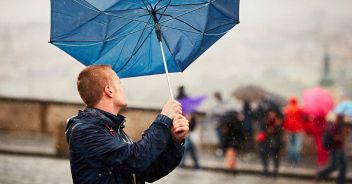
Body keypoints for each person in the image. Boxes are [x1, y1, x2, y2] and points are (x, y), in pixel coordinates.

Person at [65, 65, 189, 184]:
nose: (123, 88)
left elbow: (148, 171)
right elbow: (136, 159)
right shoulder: (85, 130)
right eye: (119, 83)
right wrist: (164, 118)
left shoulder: (113, 129)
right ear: (109, 90)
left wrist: (175, 141)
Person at [316, 114, 350, 184]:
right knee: (334, 166)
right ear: (338, 118)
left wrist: (344, 133)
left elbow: (341, 139)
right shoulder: (334, 127)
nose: (343, 118)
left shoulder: (339, 126)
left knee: (344, 165)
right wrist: (344, 134)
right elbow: (336, 138)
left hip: (339, 149)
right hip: (334, 149)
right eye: (342, 117)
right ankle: (320, 174)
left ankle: (341, 182)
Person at [177, 86, 200, 169]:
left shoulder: (178, 101)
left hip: (186, 129)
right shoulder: (188, 103)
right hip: (188, 130)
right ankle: (196, 165)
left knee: (186, 147)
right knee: (189, 147)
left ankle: (183, 164)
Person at [257, 109, 284, 177]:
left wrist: (276, 127)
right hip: (265, 142)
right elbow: (262, 131)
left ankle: (275, 171)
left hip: (275, 142)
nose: (272, 114)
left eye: (273, 113)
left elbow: (280, 133)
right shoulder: (265, 121)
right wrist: (267, 131)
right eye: (271, 113)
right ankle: (266, 170)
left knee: (275, 157)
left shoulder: (278, 121)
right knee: (264, 156)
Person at [283, 96, 304, 163]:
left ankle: (290, 157)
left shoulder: (286, 109)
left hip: (289, 129)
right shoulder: (299, 109)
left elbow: (284, 119)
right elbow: (303, 117)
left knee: (290, 144)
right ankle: (296, 158)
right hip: (298, 129)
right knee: (297, 144)